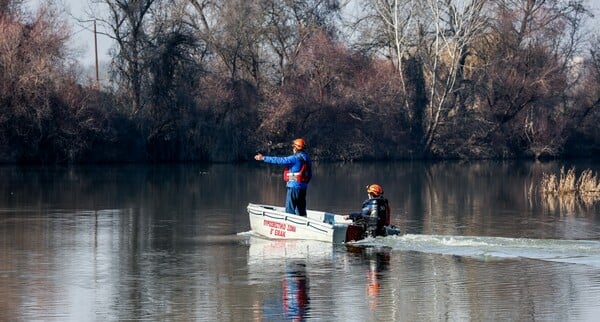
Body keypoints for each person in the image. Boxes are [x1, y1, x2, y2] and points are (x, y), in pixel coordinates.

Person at [254, 138, 312, 217]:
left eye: (293, 147)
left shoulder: (294, 158)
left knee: (289, 210)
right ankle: (304, 225)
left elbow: (279, 160)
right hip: (303, 187)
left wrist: (263, 158)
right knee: (301, 210)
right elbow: (309, 174)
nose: (293, 149)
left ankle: (290, 226)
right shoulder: (307, 158)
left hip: (293, 187)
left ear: (296, 148)